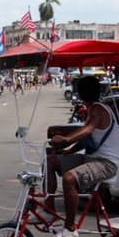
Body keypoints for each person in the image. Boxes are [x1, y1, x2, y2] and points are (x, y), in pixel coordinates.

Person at [33, 76, 119, 237]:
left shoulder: (98, 110)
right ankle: (49, 208)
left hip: (107, 164)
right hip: (91, 159)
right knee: (51, 161)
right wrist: (69, 150)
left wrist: (66, 139)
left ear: (79, 94)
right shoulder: (92, 109)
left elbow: (87, 130)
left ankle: (70, 228)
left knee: (69, 178)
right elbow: (88, 139)